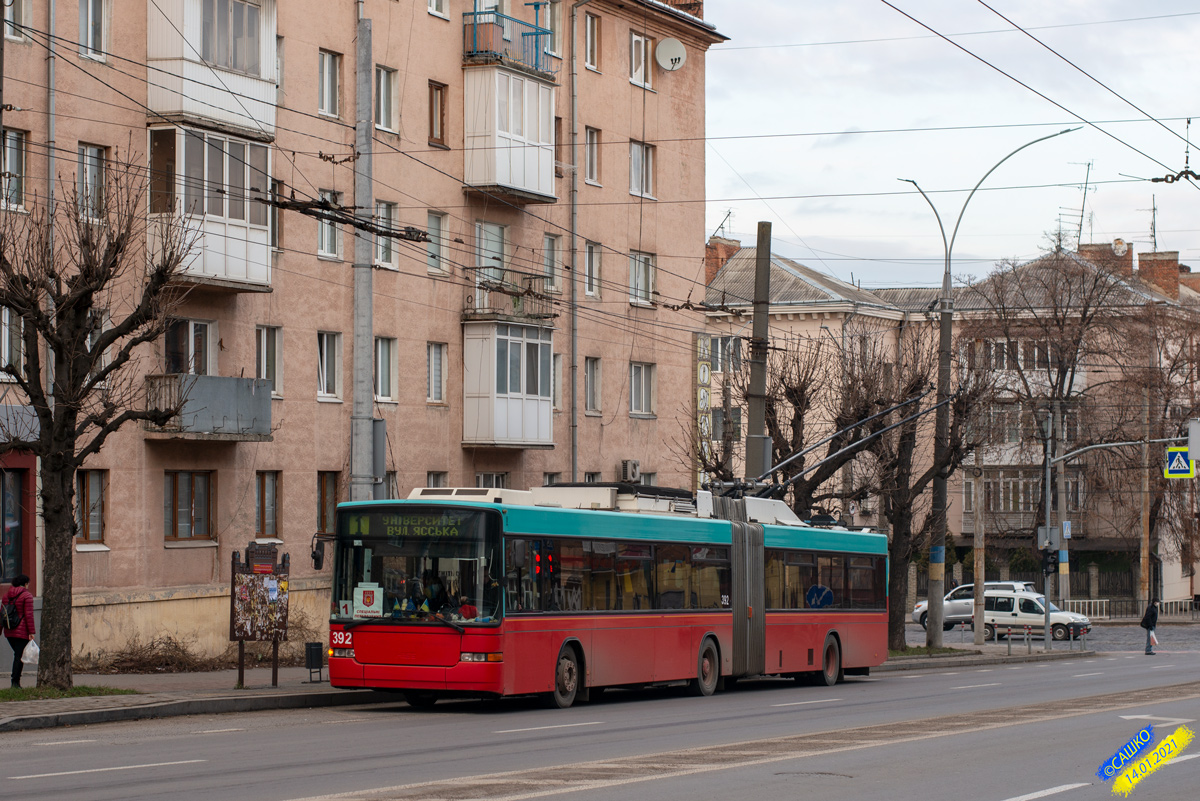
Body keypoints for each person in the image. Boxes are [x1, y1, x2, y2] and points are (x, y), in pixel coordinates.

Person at [2, 574, 35, 688]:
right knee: (19, 656)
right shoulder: (27, 596)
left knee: (18, 654)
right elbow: (29, 615)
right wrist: (31, 632)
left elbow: (2, 613)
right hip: (21, 630)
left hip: (9, 630)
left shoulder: (6, 596)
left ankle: (15, 681)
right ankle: (15, 682)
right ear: (25, 584)